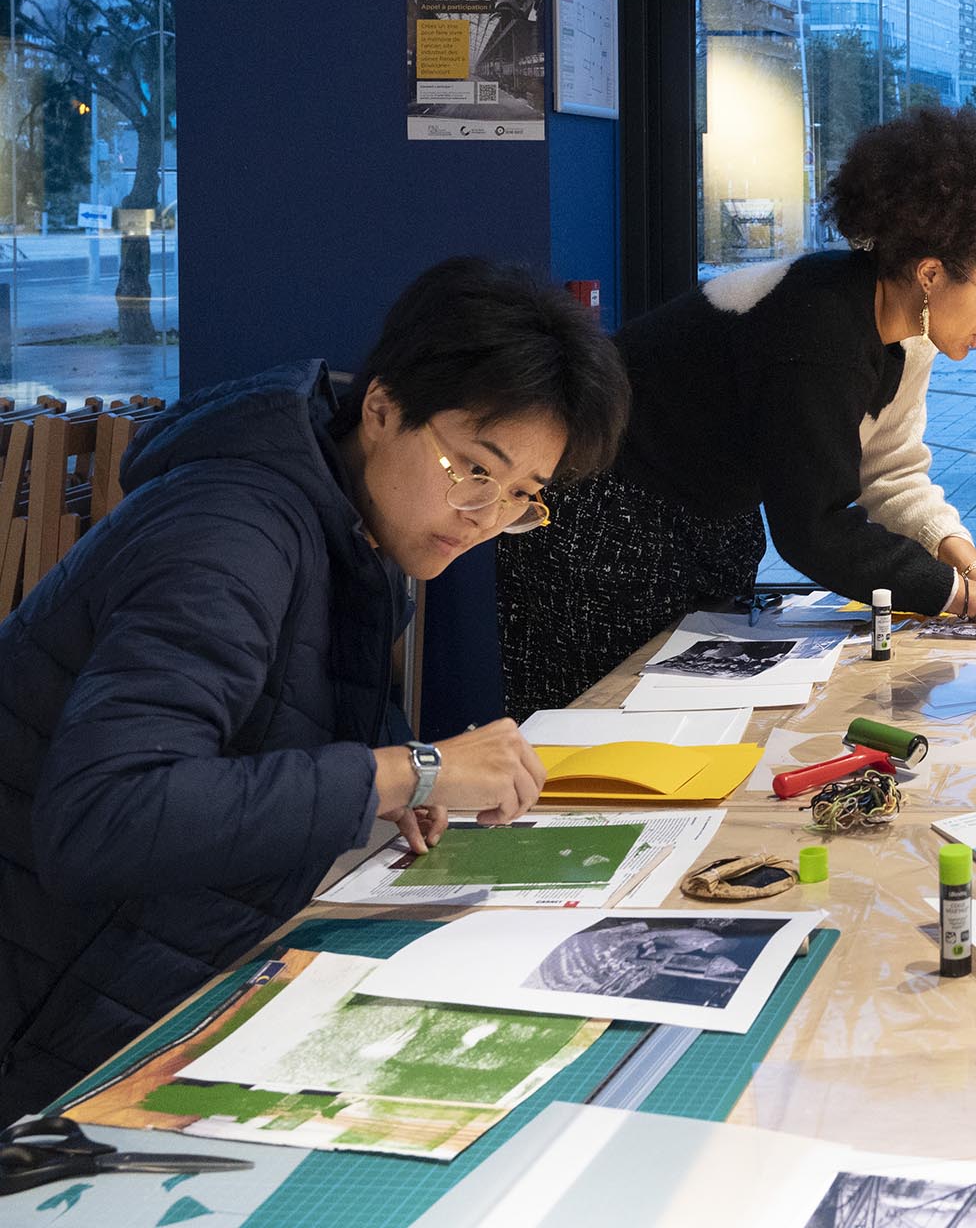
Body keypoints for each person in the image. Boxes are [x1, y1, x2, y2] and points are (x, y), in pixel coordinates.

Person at [0, 258, 630, 1120]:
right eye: (473, 470)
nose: (484, 517)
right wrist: (408, 772)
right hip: (46, 1015)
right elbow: (105, 815)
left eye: (521, 496)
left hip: (145, 971)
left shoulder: (353, 525)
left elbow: (280, 720)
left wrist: (382, 781)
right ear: (380, 409)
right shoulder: (230, 535)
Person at [498, 108, 976, 718]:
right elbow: (814, 527)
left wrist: (975, 566)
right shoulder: (818, 328)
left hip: (703, 520)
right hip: (605, 525)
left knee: (686, 727)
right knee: (595, 733)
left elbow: (891, 473)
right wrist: (967, 599)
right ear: (930, 274)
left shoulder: (908, 328)